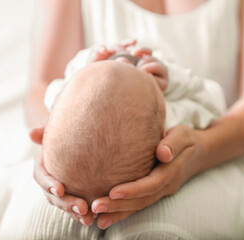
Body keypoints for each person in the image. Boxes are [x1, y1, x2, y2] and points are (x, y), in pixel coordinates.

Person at [25, 0, 244, 237]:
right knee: (47, 225)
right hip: (85, 161)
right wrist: (55, 145)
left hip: (228, 149)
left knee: (159, 228)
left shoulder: (178, 110)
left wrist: (202, 149)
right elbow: (46, 86)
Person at [42, 43, 225, 207]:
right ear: (163, 129)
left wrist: (89, 62)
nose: (123, 58)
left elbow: (54, 89)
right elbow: (215, 101)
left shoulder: (62, 101)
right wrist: (173, 80)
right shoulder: (174, 116)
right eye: (135, 70)